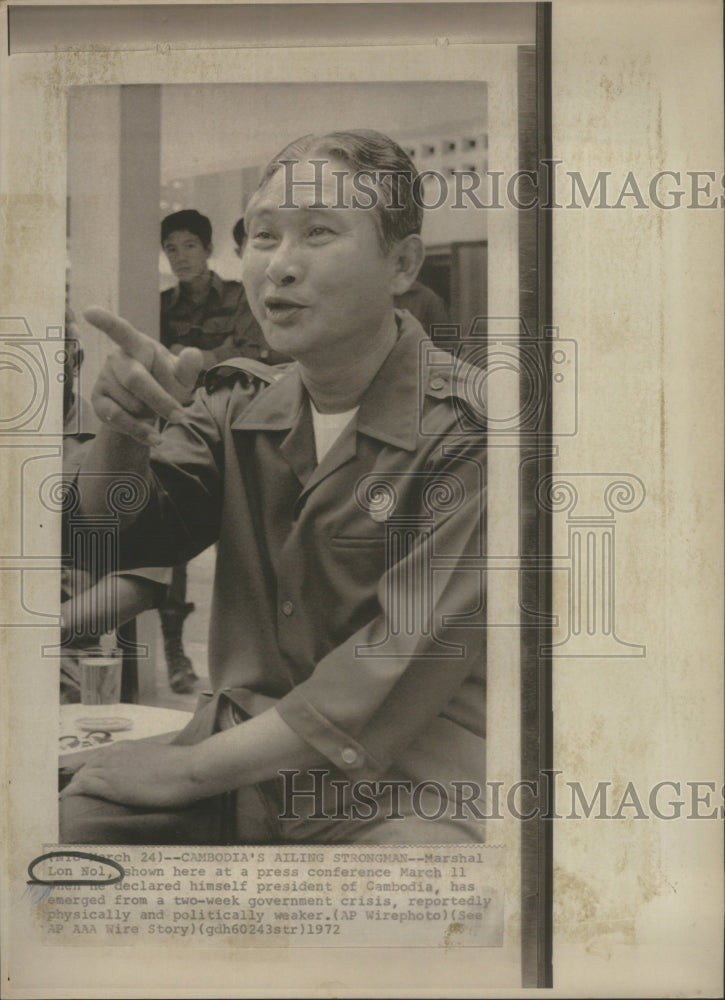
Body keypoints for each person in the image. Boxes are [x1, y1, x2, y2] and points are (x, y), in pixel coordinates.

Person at [60, 129, 487, 846]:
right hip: (244, 766)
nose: (279, 266)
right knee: (65, 841)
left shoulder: (471, 431)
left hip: (401, 789)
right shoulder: (234, 406)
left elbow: (392, 665)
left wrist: (186, 772)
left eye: (318, 232)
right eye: (262, 236)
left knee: (406, 910)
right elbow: (109, 537)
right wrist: (124, 432)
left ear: (402, 263)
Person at [159, 209, 289, 694]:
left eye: (189, 245)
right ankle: (176, 654)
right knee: (171, 548)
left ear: (208, 249)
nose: (180, 256)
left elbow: (254, 353)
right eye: (171, 248)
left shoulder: (239, 296)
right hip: (179, 428)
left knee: (248, 551)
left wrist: (195, 363)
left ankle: (259, 669)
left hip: (238, 431)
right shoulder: (160, 304)